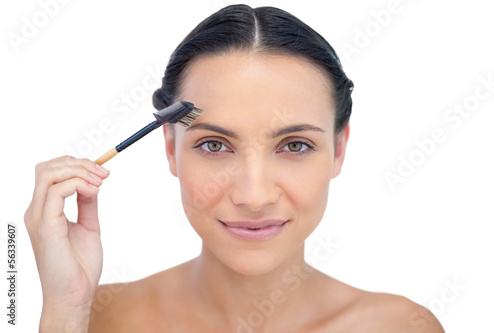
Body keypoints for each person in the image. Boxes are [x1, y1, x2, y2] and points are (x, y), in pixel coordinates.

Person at [25, 5, 445, 332]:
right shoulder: (98, 320)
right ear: (170, 147)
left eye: (295, 145)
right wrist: (65, 314)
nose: (254, 195)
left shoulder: (400, 327)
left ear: (339, 149)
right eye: (214, 145)